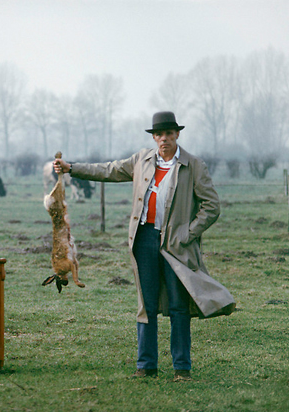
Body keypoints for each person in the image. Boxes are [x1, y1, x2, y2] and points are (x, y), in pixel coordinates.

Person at [54, 111, 235, 382]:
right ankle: (146, 366)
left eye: (169, 133)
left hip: (177, 245)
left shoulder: (194, 165)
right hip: (144, 239)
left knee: (178, 306)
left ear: (177, 135)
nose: (164, 139)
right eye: (159, 134)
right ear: (153, 137)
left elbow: (212, 206)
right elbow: (108, 170)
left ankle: (181, 368)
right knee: (146, 304)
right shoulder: (141, 160)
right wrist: (72, 168)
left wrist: (188, 233)